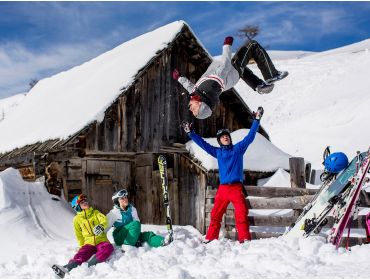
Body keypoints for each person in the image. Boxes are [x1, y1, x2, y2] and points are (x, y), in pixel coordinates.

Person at [181, 106, 264, 244]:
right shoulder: (218, 152)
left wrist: (256, 120)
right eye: (222, 137)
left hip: (236, 188)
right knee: (215, 215)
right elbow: (203, 144)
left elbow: (250, 137)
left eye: (227, 136)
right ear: (219, 141)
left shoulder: (238, 149)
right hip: (223, 189)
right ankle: (210, 239)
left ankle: (245, 240)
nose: (225, 137)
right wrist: (191, 133)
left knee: (241, 214)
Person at [172, 36, 287, 119]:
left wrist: (179, 78)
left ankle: (258, 85)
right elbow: (225, 66)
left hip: (231, 75)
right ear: (201, 104)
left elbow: (189, 87)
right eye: (195, 111)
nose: (190, 109)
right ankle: (272, 75)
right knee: (252, 45)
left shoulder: (197, 93)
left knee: (241, 69)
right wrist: (227, 46)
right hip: (231, 71)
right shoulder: (211, 87)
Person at [52, 194, 114, 278]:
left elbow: (104, 220)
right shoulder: (77, 220)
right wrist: (82, 246)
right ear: (77, 206)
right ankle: (67, 268)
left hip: (101, 240)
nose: (85, 202)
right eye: (82, 202)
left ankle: (90, 265)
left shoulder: (95, 213)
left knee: (108, 248)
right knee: (82, 253)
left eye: (85, 201)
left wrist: (101, 226)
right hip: (88, 243)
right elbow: (79, 235)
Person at [107, 189, 172, 248]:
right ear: (117, 201)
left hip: (131, 235)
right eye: (122, 198)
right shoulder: (114, 213)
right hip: (119, 237)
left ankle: (163, 241)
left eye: (126, 197)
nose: (125, 199)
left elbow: (135, 228)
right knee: (135, 224)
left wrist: (137, 237)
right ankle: (127, 245)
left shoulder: (132, 209)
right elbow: (105, 227)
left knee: (147, 235)